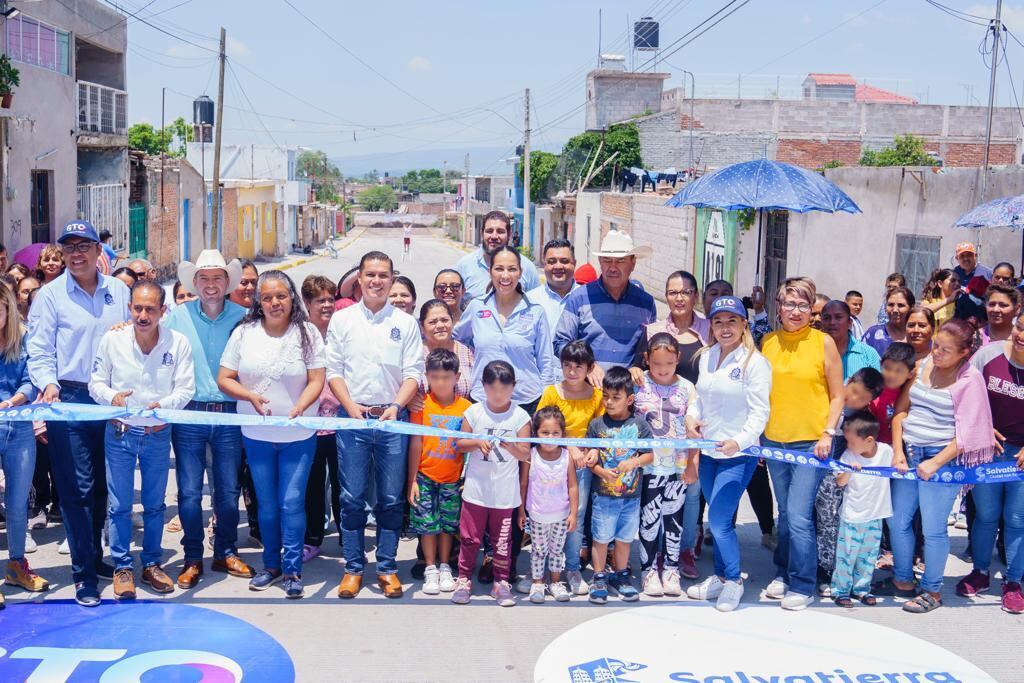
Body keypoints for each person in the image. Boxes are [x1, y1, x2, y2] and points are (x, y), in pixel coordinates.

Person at [27, 220, 131, 607]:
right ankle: (82, 573)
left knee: (106, 485)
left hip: (109, 399)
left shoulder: (119, 291)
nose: (76, 253)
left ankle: (96, 557)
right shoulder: (50, 296)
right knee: (76, 488)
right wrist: (48, 383)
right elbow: (39, 350)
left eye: (83, 245)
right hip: (68, 397)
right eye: (68, 247)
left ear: (97, 250)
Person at [218, 270, 326, 600]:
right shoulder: (244, 333)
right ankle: (271, 565)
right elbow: (225, 377)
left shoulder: (307, 333)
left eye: (281, 295)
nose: (274, 302)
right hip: (256, 432)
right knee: (266, 505)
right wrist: (248, 396)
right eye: (267, 297)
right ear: (258, 302)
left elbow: (317, 379)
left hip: (298, 434)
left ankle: (293, 568)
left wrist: (300, 408)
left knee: (291, 502)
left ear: (292, 298)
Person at [89, 281, 195, 600]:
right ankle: (123, 566)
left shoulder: (178, 344)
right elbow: (95, 383)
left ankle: (151, 564)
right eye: (137, 308)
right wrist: (112, 397)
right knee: (120, 505)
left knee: (154, 505)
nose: (143, 315)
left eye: (150, 309)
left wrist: (163, 407)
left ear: (163, 311)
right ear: (129, 308)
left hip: (157, 435)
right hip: (119, 432)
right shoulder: (112, 340)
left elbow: (185, 389)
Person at [327, 251, 424, 600]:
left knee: (390, 499)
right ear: (360, 278)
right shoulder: (343, 320)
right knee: (351, 497)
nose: (376, 281)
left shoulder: (405, 323)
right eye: (370, 274)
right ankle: (353, 568)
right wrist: (350, 406)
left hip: (392, 420)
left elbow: (414, 372)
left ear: (392, 278)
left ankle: (386, 567)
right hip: (352, 418)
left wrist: (397, 406)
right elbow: (333, 370)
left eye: (383, 275)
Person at [884, 319, 996, 613]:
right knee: (897, 520)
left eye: (945, 350)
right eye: (935, 346)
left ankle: (932, 590)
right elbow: (901, 411)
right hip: (908, 455)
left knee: (933, 530)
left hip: (941, 461)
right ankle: (903, 579)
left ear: (964, 353)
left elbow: (969, 434)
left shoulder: (970, 381)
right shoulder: (921, 367)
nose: (936, 353)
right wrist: (898, 451)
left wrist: (935, 462)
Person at [164, 250, 255, 588]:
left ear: (227, 282)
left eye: (218, 278)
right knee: (188, 491)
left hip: (230, 414)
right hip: (188, 413)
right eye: (204, 278)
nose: (211, 285)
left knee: (228, 490)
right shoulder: (176, 317)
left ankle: (226, 550)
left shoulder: (245, 317)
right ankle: (191, 558)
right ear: (195, 283)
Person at [760, 277, 844, 611]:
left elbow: (838, 395)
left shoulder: (823, 343)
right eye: (789, 304)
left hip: (811, 443)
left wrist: (828, 433)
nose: (796, 311)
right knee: (785, 513)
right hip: (774, 441)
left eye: (803, 305)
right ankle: (783, 572)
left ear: (812, 310)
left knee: (798, 514)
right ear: (778, 307)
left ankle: (803, 583)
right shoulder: (767, 342)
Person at [685, 296, 772, 612]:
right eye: (718, 321)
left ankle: (734, 580)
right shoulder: (706, 357)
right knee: (716, 519)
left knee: (720, 521)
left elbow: (760, 413)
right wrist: (691, 417)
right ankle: (720, 577)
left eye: (731, 321)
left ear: (744, 325)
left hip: (738, 454)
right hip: (709, 452)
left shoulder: (755, 363)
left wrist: (740, 441)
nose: (724, 328)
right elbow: (700, 398)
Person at [956, 309, 1024, 613]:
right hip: (989, 451)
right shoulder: (988, 355)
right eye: (1020, 328)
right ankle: (980, 572)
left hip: (1021, 457)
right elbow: (964, 393)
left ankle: (1013, 582)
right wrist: (982, 428)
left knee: (1016, 519)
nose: (1021, 336)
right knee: (985, 515)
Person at [452, 360, 532, 607]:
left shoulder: (520, 416)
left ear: (513, 388)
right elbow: (459, 444)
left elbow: (526, 454)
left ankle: (501, 581)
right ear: (483, 387)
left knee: (502, 540)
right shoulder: (474, 412)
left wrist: (512, 447)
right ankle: (464, 579)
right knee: (469, 539)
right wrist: (476, 443)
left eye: (505, 389)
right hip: (476, 491)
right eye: (493, 389)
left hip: (504, 494)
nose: (499, 395)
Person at [535, 340, 603, 596]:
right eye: (567, 366)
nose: (572, 371)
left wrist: (594, 448)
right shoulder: (552, 392)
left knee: (577, 512)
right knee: (547, 511)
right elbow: (543, 429)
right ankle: (541, 570)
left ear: (589, 368)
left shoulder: (596, 395)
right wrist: (570, 447)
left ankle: (572, 567)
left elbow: (600, 428)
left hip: (584, 464)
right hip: (553, 462)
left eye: (578, 366)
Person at [633, 332, 697, 597]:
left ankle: (670, 568)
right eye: (656, 363)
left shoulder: (687, 388)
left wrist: (692, 463)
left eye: (668, 364)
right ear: (647, 359)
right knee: (648, 521)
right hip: (648, 466)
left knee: (673, 519)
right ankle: (648, 569)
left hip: (677, 466)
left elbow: (695, 430)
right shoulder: (637, 383)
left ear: (677, 359)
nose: (662, 369)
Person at [454, 245, 555, 411]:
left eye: (512, 269)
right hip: (482, 399)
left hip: (526, 401)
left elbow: (546, 362)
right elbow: (454, 340)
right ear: (490, 272)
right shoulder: (477, 307)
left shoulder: (535, 311)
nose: (505, 275)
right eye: (499, 269)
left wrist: (545, 404)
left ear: (520, 273)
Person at [584, 366, 653, 604]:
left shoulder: (641, 426)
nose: (609, 402)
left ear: (630, 399)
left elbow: (649, 456)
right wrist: (601, 471)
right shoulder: (596, 425)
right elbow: (590, 458)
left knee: (624, 539)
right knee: (601, 539)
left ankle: (621, 576)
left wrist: (633, 461)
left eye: (616, 397)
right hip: (603, 496)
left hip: (632, 497)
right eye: (606, 396)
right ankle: (599, 576)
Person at [407, 348, 472, 595]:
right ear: (427, 377)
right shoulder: (421, 406)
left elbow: (468, 446)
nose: (441, 382)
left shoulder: (466, 408)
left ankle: (446, 566)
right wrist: (412, 479)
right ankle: (430, 568)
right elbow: (416, 443)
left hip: (452, 479)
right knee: (427, 525)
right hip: (424, 476)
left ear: (457, 377)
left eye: (446, 377)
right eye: (435, 377)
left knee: (448, 525)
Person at [553, 230, 656, 384]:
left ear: (633, 263)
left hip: (626, 399)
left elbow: (650, 350)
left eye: (620, 261)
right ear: (600, 261)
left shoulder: (646, 303)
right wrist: (588, 365)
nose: (612, 267)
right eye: (607, 260)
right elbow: (560, 342)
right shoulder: (579, 298)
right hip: (585, 395)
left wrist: (637, 366)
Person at [0, 281, 47, 603]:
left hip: (18, 429)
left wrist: (18, 398)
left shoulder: (24, 338)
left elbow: (32, 379)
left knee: (18, 505)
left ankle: (17, 564)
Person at [830, 410, 893, 608]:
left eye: (852, 442)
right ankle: (840, 591)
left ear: (869, 440)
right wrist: (848, 471)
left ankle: (861, 589)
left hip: (876, 515)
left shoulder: (886, 452)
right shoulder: (848, 456)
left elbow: (900, 466)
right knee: (846, 555)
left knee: (868, 556)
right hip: (852, 515)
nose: (848, 445)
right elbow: (839, 482)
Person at [300, 275, 343, 562]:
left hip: (342, 422)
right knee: (313, 485)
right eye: (320, 300)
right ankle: (313, 538)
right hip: (311, 424)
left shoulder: (343, 331)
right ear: (307, 304)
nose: (327, 305)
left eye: (330, 299)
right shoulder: (299, 335)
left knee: (345, 485)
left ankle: (347, 536)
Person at [518, 406, 578, 604]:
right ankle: (537, 582)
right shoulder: (531, 455)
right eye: (545, 432)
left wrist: (573, 514)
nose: (550, 437)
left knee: (556, 551)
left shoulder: (566, 457)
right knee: (538, 550)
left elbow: (572, 486)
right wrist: (521, 511)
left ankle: (555, 582)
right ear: (536, 433)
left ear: (562, 434)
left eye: (555, 433)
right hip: (537, 515)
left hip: (560, 515)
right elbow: (524, 483)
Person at [631, 270, 709, 386]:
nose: (679, 298)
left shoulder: (710, 329)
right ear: (666, 297)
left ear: (696, 297)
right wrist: (634, 371)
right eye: (672, 293)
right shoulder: (652, 331)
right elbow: (638, 368)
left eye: (686, 292)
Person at [455, 210, 539, 300]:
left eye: (500, 231)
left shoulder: (527, 267)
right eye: (489, 231)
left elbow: (535, 305)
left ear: (509, 234)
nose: (494, 236)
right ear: (481, 233)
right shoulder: (464, 266)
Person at [418, 299, 474, 400]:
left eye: (444, 320)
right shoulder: (414, 354)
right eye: (432, 322)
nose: (440, 326)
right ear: (422, 326)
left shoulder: (467, 352)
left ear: (452, 321)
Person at [526, 239, 578, 332]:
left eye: (564, 261)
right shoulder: (529, 300)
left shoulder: (587, 299)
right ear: (544, 264)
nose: (558, 266)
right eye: (552, 261)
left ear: (574, 264)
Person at [821, 300, 881, 380]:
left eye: (838, 317)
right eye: (827, 318)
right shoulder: (813, 352)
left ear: (850, 322)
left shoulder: (868, 354)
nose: (832, 322)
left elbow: (878, 388)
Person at [862, 286, 914, 356]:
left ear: (911, 308)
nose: (895, 310)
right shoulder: (873, 334)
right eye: (891, 305)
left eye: (901, 305)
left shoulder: (918, 335)